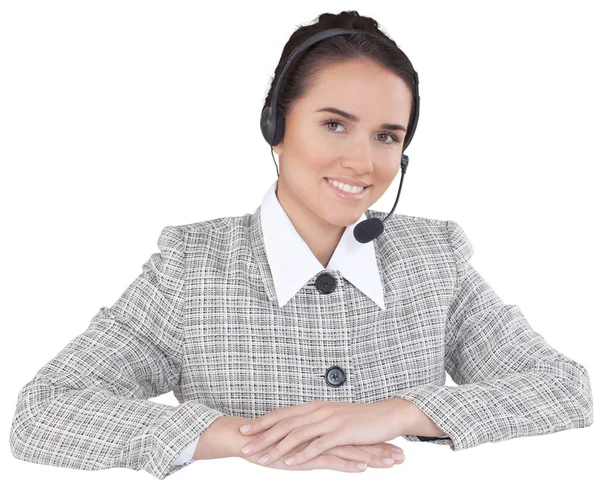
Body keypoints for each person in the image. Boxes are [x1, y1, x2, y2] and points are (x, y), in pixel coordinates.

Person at [9, 10, 593, 480]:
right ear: (275, 127)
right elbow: (45, 413)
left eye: (386, 136)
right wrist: (247, 440)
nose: (361, 162)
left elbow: (564, 389)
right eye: (334, 124)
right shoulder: (192, 268)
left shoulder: (434, 258)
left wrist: (395, 414)